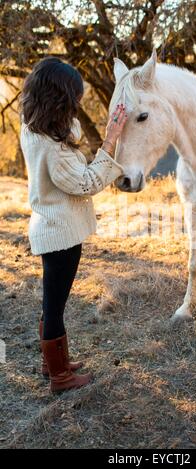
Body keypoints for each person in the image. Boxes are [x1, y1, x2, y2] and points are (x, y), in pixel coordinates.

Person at [20, 57, 127, 393]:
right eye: (74, 101)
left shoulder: (34, 128)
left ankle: (53, 362)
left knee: (54, 303)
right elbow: (87, 182)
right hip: (59, 236)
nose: (78, 106)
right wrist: (111, 139)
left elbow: (72, 135)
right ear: (58, 101)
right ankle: (60, 378)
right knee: (54, 307)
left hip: (52, 229)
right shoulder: (53, 150)